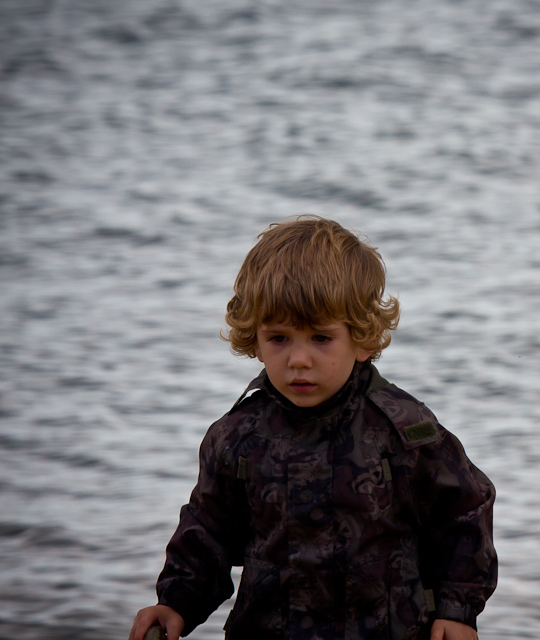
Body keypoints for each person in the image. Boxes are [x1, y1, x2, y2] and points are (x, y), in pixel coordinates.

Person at [129, 216, 497, 640]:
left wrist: (456, 611)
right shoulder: (237, 437)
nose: (298, 359)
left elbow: (463, 512)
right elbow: (208, 531)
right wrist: (175, 601)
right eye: (279, 338)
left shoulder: (403, 429)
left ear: (361, 339)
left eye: (321, 338)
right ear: (255, 338)